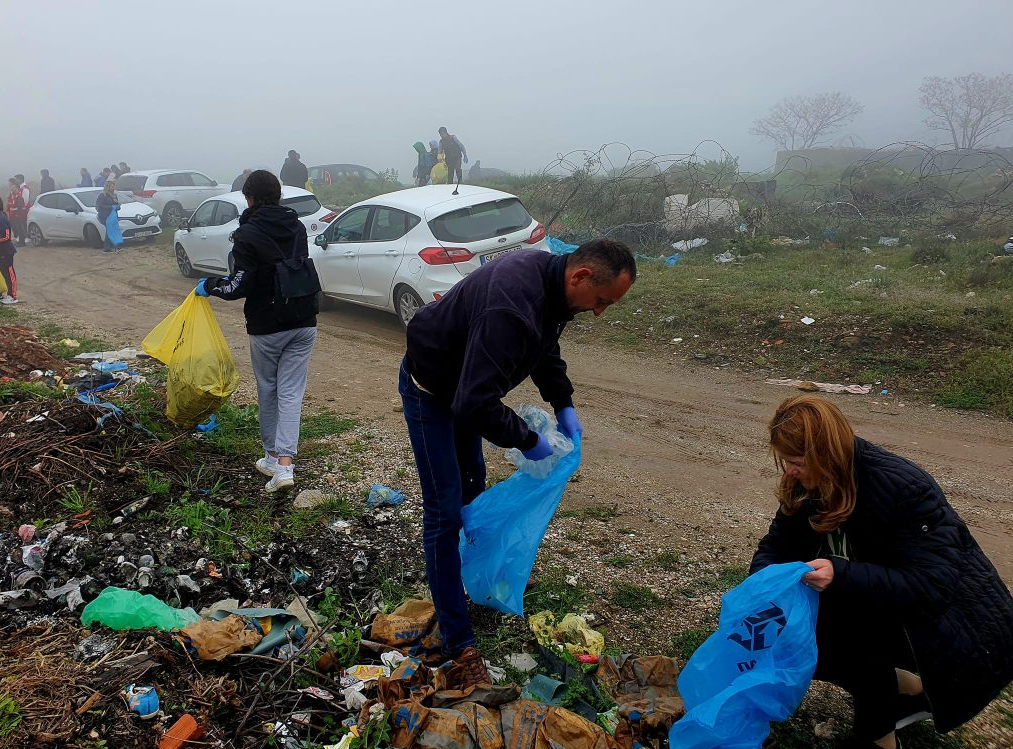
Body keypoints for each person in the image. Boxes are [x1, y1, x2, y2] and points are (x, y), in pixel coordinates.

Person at [400, 239, 636, 686]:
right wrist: (528, 440)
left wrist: (563, 402)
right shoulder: (512, 306)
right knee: (444, 511)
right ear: (581, 277)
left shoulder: (551, 286)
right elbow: (474, 404)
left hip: (466, 385)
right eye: (603, 301)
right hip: (431, 389)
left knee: (474, 482)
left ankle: (481, 571)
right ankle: (458, 642)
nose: (602, 311)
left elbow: (543, 349)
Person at [750, 395, 1013, 749]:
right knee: (785, 631)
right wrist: (764, 584)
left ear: (826, 454)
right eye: (785, 461)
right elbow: (776, 545)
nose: (789, 472)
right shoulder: (807, 484)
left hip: (952, 624)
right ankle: (906, 687)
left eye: (796, 462)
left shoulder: (902, 486)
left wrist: (840, 575)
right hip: (885, 603)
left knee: (845, 636)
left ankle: (880, 739)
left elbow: (930, 587)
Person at [195, 170, 317, 493]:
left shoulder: (247, 234)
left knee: (269, 389)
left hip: (267, 326)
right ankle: (285, 467)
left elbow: (238, 285)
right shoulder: (297, 226)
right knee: (291, 392)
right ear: (277, 196)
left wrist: (209, 286)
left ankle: (273, 457)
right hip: (304, 320)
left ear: (249, 199)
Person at [95, 180, 122, 253]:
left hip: (113, 215)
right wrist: (111, 207)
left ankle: (114, 247)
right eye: (112, 186)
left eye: (114, 186)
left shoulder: (114, 195)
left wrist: (117, 206)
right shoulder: (103, 195)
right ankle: (107, 247)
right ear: (108, 187)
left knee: (113, 230)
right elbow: (99, 206)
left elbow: (118, 205)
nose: (113, 188)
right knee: (110, 230)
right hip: (105, 216)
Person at [0, 202, 17, 304]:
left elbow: (7, 236)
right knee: (1, 274)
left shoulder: (1, 218)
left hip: (6, 251)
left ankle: (13, 296)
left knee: (9, 273)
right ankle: (3, 294)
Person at [6, 178, 27, 247]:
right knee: (17, 228)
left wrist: (16, 213)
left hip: (17, 216)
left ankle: (22, 242)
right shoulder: (13, 195)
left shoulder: (19, 196)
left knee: (20, 228)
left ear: (16, 187)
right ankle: (19, 241)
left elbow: (20, 207)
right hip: (13, 215)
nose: (11, 188)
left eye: (13, 187)